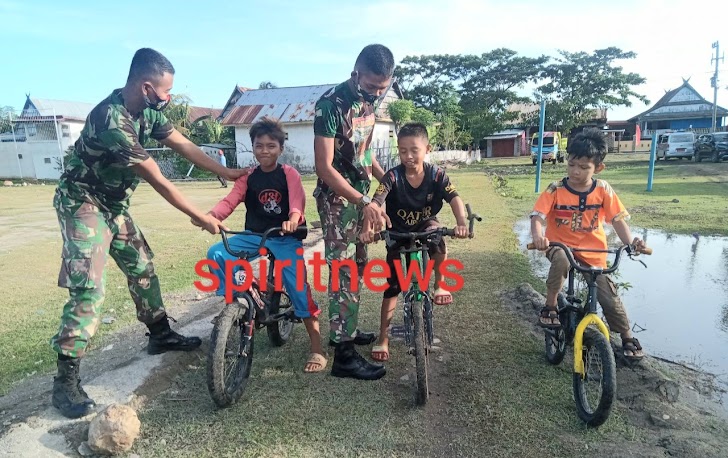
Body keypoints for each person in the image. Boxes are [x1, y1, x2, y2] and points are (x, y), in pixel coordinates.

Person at [50, 48, 248, 419]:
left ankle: (160, 334)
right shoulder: (111, 121)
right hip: (82, 203)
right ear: (145, 86)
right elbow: (158, 178)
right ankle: (65, 378)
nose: (168, 98)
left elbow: (185, 146)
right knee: (89, 288)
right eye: (164, 91)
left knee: (142, 265)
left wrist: (230, 173)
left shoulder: (148, 113)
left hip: (113, 205)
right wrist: (201, 216)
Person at [201, 118, 325, 373]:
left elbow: (296, 203)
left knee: (299, 289)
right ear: (253, 147)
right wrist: (212, 216)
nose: (265, 151)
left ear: (280, 148)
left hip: (284, 236)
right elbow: (230, 200)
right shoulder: (248, 177)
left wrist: (293, 220)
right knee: (216, 253)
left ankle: (317, 347)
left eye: (271, 146)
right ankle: (235, 301)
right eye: (259, 146)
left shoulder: (289, 173)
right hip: (255, 235)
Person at [312, 44, 395, 380]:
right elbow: (324, 166)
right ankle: (344, 357)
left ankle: (345, 329)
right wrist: (362, 203)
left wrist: (388, 180)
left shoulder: (367, 104)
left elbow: (363, 153)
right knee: (343, 271)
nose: (377, 92)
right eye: (372, 85)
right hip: (337, 202)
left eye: (383, 87)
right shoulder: (330, 104)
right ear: (356, 74)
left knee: (356, 266)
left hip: (361, 200)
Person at [529, 128, 646, 361]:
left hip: (594, 253)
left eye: (583, 167)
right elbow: (538, 217)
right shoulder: (556, 189)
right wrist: (538, 237)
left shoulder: (603, 189)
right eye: (572, 164)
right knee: (561, 259)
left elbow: (617, 220)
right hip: (560, 246)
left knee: (607, 293)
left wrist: (631, 241)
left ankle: (626, 335)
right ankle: (550, 306)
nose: (575, 171)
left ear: (598, 168)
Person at [360, 123, 468, 362]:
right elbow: (375, 203)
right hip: (397, 230)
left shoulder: (437, 175)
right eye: (402, 151)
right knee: (393, 288)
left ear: (427, 149)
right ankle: (383, 338)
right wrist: (367, 229)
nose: (408, 156)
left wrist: (461, 222)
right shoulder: (392, 176)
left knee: (437, 236)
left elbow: (455, 198)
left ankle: (439, 284)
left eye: (414, 150)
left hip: (425, 224)